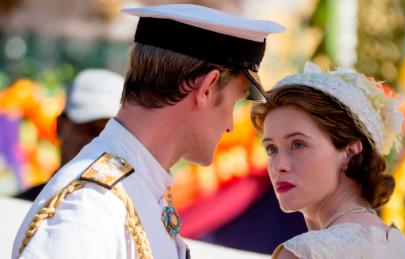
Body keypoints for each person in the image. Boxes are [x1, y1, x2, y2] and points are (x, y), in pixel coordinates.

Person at [12, 4, 284, 259]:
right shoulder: (89, 207)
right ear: (207, 88)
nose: (230, 125)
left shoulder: (133, 189)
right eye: (233, 101)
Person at [250, 62, 405, 259]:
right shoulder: (402, 247)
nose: (279, 166)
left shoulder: (306, 252)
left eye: (297, 145)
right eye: (271, 149)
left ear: (350, 152)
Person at [15, 69, 124, 201]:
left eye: (108, 133)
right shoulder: (17, 208)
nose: (96, 142)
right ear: (60, 126)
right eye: (88, 129)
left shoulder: (134, 217)